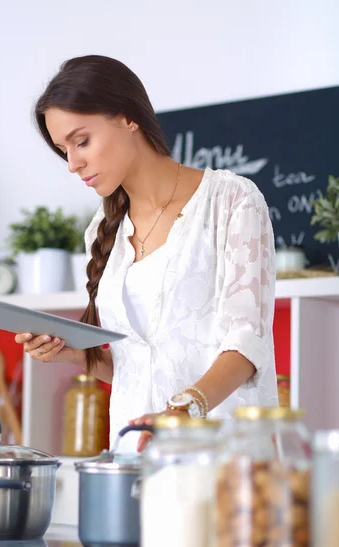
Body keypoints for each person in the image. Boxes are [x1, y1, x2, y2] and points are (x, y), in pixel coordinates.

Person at [15, 55, 278, 453]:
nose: (72, 164)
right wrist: (77, 356)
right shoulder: (102, 233)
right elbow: (138, 368)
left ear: (127, 118)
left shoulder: (230, 201)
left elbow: (246, 346)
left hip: (224, 462)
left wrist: (183, 411)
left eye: (81, 141)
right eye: (63, 150)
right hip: (134, 459)